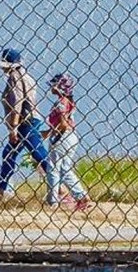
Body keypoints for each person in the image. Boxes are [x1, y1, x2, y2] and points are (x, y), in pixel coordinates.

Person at [0, 48, 51, 199]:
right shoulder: (26, 76)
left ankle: (62, 188)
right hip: (29, 119)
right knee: (10, 154)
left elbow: (17, 103)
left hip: (25, 122)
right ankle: (2, 189)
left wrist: (13, 128)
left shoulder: (15, 77)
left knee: (39, 155)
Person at [44, 73, 92, 211]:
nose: (51, 87)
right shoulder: (69, 101)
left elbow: (63, 123)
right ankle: (82, 196)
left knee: (53, 168)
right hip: (71, 136)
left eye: (54, 85)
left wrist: (51, 133)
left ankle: (52, 201)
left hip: (63, 136)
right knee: (65, 168)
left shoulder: (61, 102)